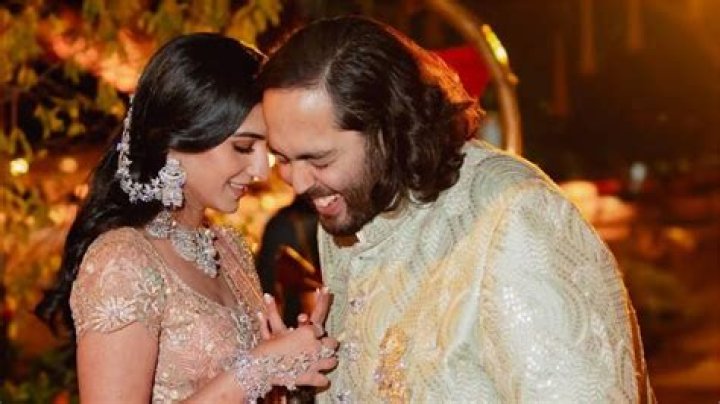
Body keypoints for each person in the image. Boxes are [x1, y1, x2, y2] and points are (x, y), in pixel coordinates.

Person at [259, 16, 654, 403]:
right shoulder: (350, 213)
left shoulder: (514, 217)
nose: (297, 182)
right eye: (283, 158)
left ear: (388, 130)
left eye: (320, 159)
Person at [35, 33, 337, 403]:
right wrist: (259, 368)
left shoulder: (228, 248)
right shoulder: (122, 259)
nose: (262, 169)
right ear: (176, 139)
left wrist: (293, 369)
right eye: (244, 147)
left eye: (268, 149)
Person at [256, 197, 322, 327]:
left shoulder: (280, 223)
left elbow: (265, 282)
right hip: (302, 315)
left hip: (297, 318)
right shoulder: (283, 225)